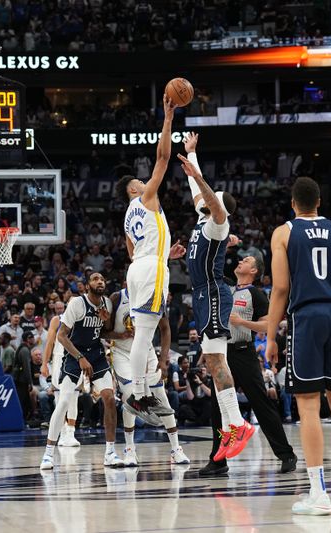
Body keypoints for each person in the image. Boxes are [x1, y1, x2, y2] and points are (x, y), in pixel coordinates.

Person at [266, 176, 331, 515]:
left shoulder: (284, 232)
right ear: (319, 202)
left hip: (307, 317)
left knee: (308, 406)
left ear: (293, 204)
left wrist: (269, 337)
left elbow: (280, 288)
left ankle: (318, 494)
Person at [178, 135, 256, 463]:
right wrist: (192, 154)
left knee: (216, 361)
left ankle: (238, 423)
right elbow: (199, 194)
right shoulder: (203, 218)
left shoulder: (218, 225)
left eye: (212, 201)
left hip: (212, 292)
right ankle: (229, 426)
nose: (205, 201)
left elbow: (207, 196)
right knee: (211, 362)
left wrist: (199, 177)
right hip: (202, 294)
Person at [200, 254, 297, 476]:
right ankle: (219, 460)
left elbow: (268, 325)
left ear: (254, 271)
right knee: (218, 407)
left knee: (260, 402)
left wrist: (243, 322)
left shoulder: (255, 293)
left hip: (244, 351)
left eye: (246, 260)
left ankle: (286, 454)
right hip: (222, 354)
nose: (240, 261)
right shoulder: (227, 289)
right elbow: (210, 268)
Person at [115, 94, 178, 421]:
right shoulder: (146, 196)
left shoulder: (127, 216)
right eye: (139, 182)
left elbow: (132, 251)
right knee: (144, 334)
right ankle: (139, 394)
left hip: (139, 267)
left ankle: (139, 393)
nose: (144, 181)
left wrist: (166, 252)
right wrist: (168, 118)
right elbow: (164, 157)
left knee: (144, 331)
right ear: (134, 190)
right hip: (151, 268)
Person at [40, 272, 123, 470]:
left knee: (109, 399)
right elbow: (61, 336)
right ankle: (48, 453)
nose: (100, 281)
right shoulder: (77, 303)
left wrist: (119, 332)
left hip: (96, 355)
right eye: (95, 279)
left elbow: (105, 332)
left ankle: (110, 452)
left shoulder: (107, 305)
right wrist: (80, 358)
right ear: (87, 286)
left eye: (103, 278)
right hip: (73, 355)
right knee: (64, 401)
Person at [107, 286, 190, 467]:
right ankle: (130, 449)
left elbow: (166, 329)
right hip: (122, 353)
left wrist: (163, 361)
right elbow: (105, 331)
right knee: (130, 396)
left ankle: (176, 449)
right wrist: (122, 335)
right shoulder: (116, 297)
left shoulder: (154, 297)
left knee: (161, 396)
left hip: (148, 351)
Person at [40, 300, 79, 447]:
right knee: (60, 396)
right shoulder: (57, 320)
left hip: (76, 358)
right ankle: (62, 432)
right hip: (59, 358)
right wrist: (44, 364)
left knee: (74, 396)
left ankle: (71, 432)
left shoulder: (81, 319)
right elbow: (50, 342)